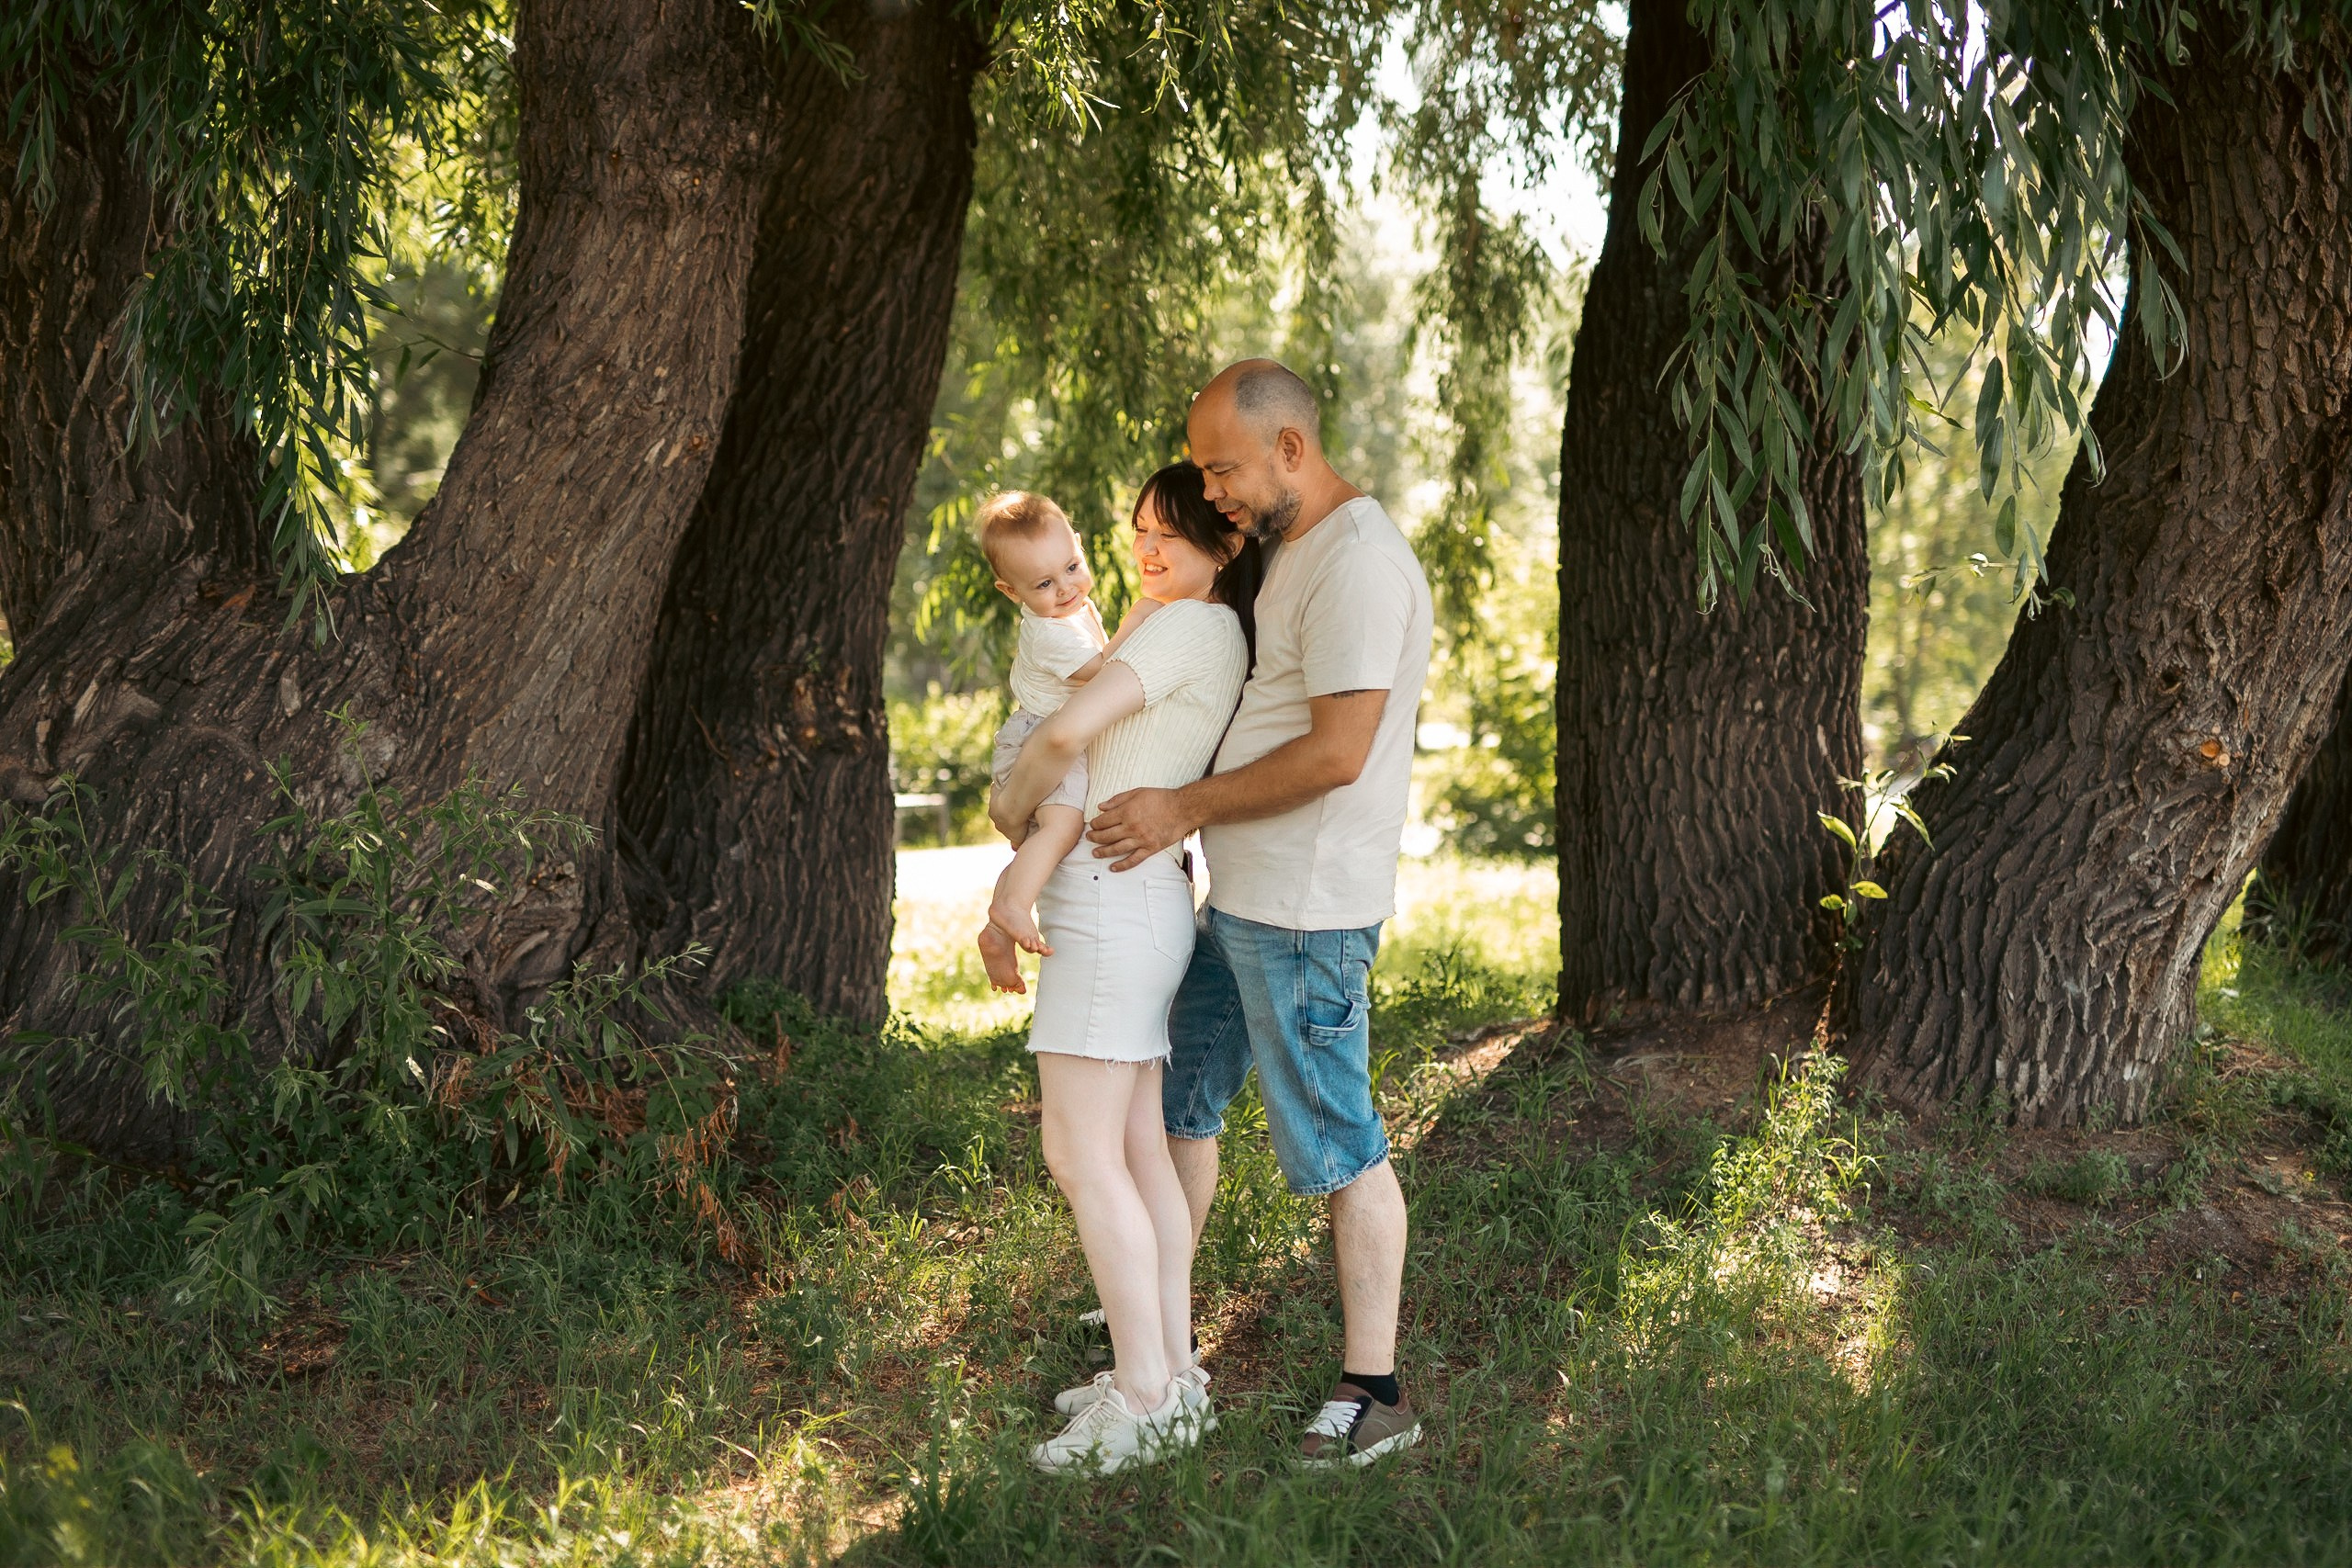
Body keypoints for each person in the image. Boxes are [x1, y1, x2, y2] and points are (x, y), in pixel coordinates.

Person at [1087, 358, 1435, 1469]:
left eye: (1223, 468)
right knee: (1180, 1102)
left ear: (1290, 448)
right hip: (1243, 902)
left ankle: (1374, 1392)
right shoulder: (1293, 553)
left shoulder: (1359, 566)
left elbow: (1337, 753)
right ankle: (1165, 1349)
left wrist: (1181, 802)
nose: (1215, 491)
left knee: (1336, 1144)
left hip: (1303, 917)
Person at [989, 461, 1262, 1475]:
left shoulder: (1196, 623)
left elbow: (1063, 735)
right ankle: (1170, 1376)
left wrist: (1008, 811)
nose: (1147, 552)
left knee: (1081, 1154)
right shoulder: (1160, 621)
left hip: (1108, 902)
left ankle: (1145, 1397)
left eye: (1174, 538)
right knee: (1139, 1151)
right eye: (1140, 529)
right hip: (1123, 897)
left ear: (1224, 549)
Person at [970, 490, 1148, 996]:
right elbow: (1102, 672)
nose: (1066, 587)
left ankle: (997, 928)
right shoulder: (1049, 631)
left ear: (1081, 548)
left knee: (1040, 843)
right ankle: (1010, 908)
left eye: (1071, 567)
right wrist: (1139, 620)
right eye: (1044, 583)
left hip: (1048, 734)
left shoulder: (1071, 608)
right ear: (1012, 592)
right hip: (1036, 737)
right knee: (1063, 827)